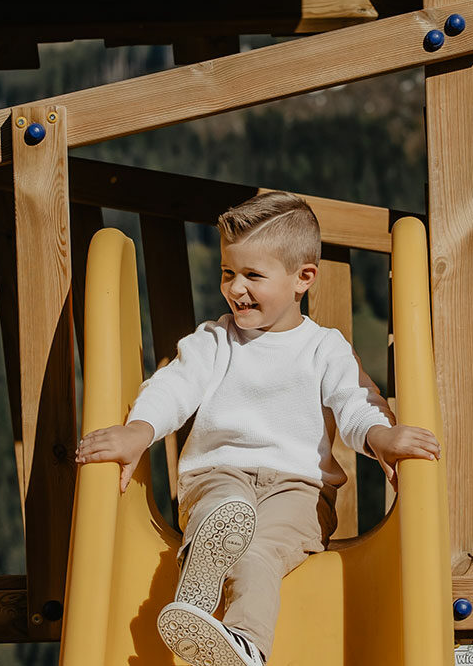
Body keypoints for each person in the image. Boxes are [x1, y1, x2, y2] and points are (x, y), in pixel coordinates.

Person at [74, 191, 441, 666]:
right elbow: (174, 387)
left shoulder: (323, 348)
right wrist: (139, 431)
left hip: (299, 490)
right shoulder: (214, 340)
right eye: (228, 273)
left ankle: (243, 643)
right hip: (218, 474)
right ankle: (200, 576)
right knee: (224, 507)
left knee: (258, 553)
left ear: (302, 278)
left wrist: (380, 437)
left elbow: (355, 401)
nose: (235, 288)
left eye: (253, 275)